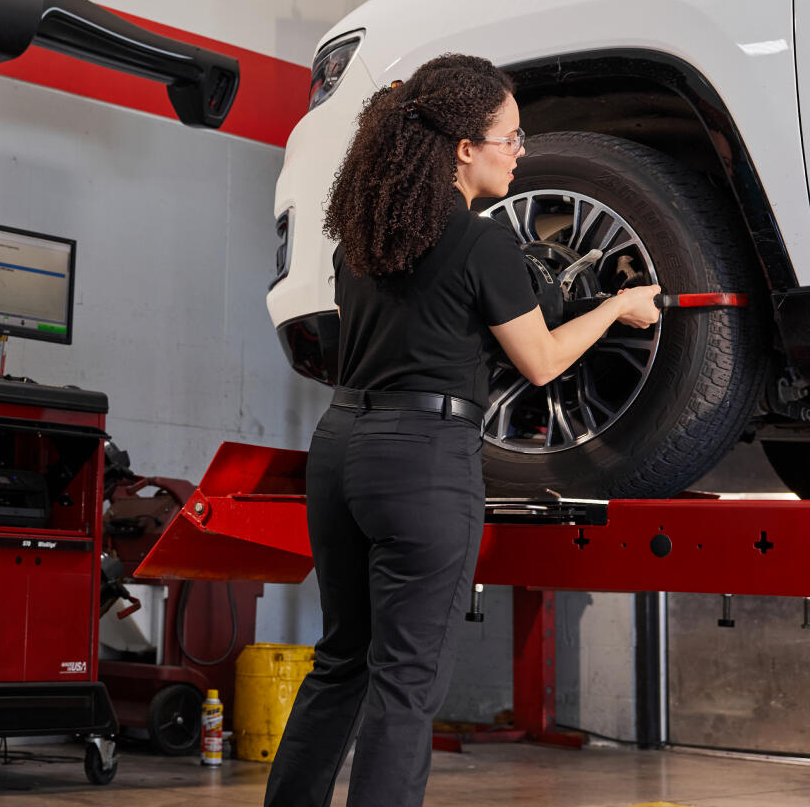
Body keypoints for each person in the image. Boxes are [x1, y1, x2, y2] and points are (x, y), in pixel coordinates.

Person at [263, 54, 660, 807]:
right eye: (510, 138)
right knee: (405, 681)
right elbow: (541, 363)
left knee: (342, 660)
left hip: (340, 448)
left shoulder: (359, 246)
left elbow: (418, 332)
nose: (519, 153)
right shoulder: (482, 244)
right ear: (464, 148)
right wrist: (616, 307)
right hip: (421, 461)